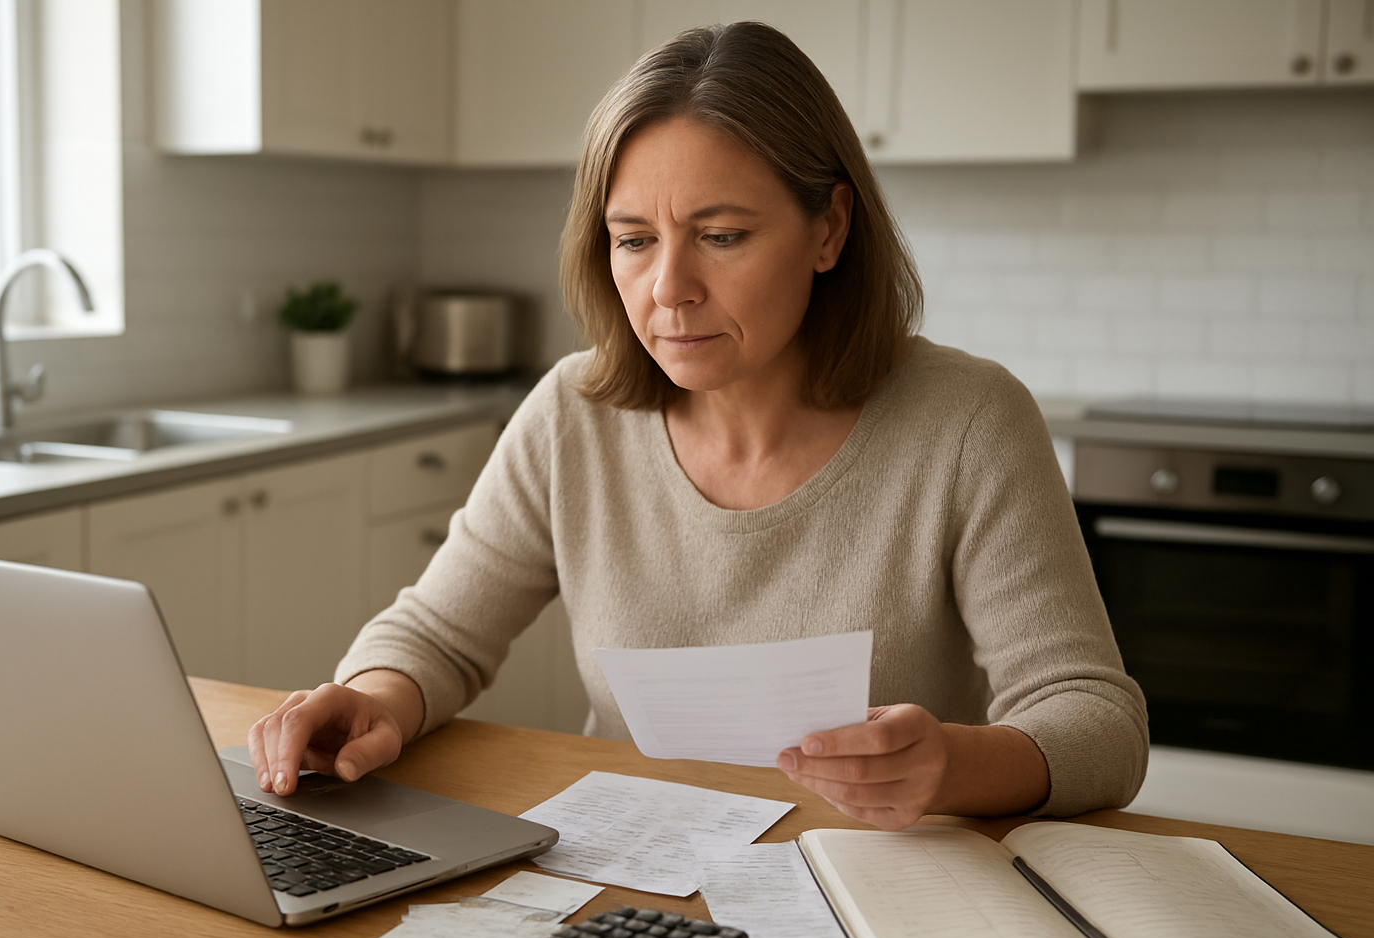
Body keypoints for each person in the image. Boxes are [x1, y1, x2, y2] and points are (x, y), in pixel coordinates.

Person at [249, 22, 1147, 830]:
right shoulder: (574, 414)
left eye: (720, 236)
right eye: (633, 240)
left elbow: (1096, 721)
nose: (668, 288)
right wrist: (373, 698)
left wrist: (958, 764)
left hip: (883, 895)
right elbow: (438, 635)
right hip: (637, 868)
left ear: (829, 228)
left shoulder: (969, 422)